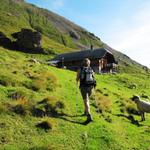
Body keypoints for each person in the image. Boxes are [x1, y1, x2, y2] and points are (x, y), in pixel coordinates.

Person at [76, 58, 96, 123]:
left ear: (83, 63)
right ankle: (85, 112)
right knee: (87, 100)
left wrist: (77, 81)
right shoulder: (91, 69)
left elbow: (77, 78)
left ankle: (89, 115)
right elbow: (94, 77)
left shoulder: (80, 69)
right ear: (89, 63)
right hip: (90, 86)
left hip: (83, 86)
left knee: (86, 101)